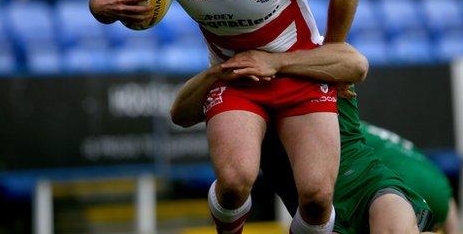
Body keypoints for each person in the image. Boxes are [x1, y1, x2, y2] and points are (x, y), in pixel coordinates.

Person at [89, 0, 361, 233]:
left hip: (299, 73)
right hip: (235, 77)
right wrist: (99, 6)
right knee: (234, 182)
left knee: (317, 197)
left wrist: (330, 54)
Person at [170, 43, 435, 233]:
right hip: (319, 216)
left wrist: (278, 62)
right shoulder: (242, 84)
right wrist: (216, 73)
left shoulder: (315, 57)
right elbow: (179, 114)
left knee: (394, 224)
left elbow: (357, 64)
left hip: (366, 182)